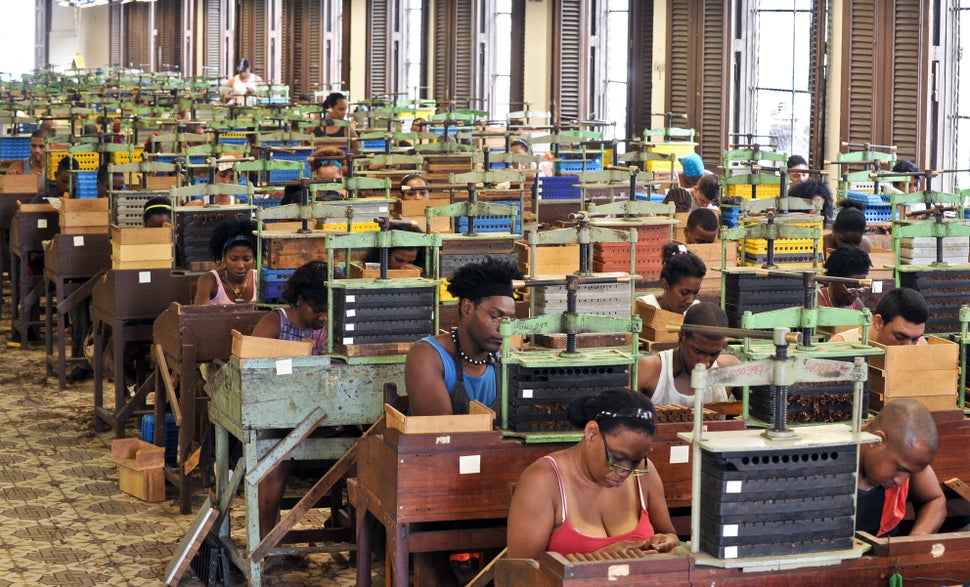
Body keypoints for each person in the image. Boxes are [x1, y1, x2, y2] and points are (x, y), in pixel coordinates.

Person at [506, 389, 679, 559]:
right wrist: (601, 559)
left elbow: (669, 533)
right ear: (591, 433)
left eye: (636, 462)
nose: (625, 472)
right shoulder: (542, 481)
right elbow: (519, 574)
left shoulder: (644, 475)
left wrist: (668, 540)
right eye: (617, 458)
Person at [405, 257, 522, 417]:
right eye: (495, 317)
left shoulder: (506, 358)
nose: (504, 328)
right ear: (467, 308)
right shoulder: (427, 357)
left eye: (510, 320)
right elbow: (440, 436)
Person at [856, 399, 945, 537]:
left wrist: (915, 540)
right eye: (900, 469)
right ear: (875, 441)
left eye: (909, 473)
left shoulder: (907, 457)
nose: (901, 481)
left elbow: (935, 500)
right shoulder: (828, 461)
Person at [637, 302, 741, 405]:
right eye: (698, 352)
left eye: (714, 354)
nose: (705, 363)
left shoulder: (729, 370)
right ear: (681, 335)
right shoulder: (648, 371)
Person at [829, 287, 928, 345]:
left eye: (914, 340)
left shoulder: (921, 346)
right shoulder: (839, 346)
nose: (908, 348)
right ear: (878, 322)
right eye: (899, 337)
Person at [194, 218, 258, 305]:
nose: (240, 265)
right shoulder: (209, 281)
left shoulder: (260, 280)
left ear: (254, 258)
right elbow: (199, 315)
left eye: (246, 259)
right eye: (233, 259)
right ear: (224, 256)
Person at [637, 244, 705, 314]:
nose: (690, 301)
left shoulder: (695, 311)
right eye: (684, 293)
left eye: (695, 293)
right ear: (665, 285)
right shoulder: (644, 307)